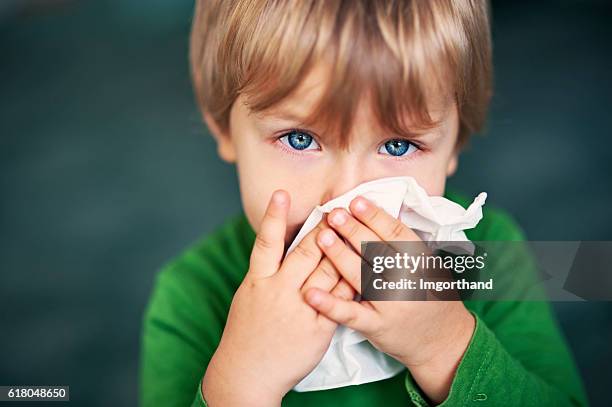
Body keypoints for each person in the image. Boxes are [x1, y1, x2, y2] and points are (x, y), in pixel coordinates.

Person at [140, 1, 587, 405]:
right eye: (300, 139)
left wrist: (443, 346)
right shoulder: (191, 294)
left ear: (456, 143)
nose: (343, 201)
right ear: (223, 128)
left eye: (396, 146)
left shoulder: (486, 257)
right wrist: (242, 384)